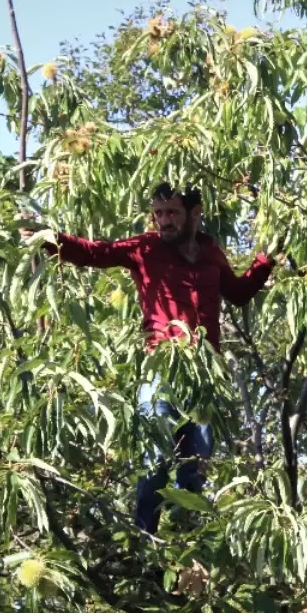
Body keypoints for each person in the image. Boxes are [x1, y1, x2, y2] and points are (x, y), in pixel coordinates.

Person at [24, 183, 278, 533]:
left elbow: (237, 294)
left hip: (205, 374)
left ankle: (188, 546)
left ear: (195, 214)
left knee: (196, 465)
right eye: (159, 213)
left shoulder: (210, 252)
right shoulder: (144, 248)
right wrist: (49, 239)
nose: (164, 221)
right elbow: (95, 252)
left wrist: (265, 261)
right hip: (162, 369)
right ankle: (147, 542)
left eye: (172, 212)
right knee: (154, 459)